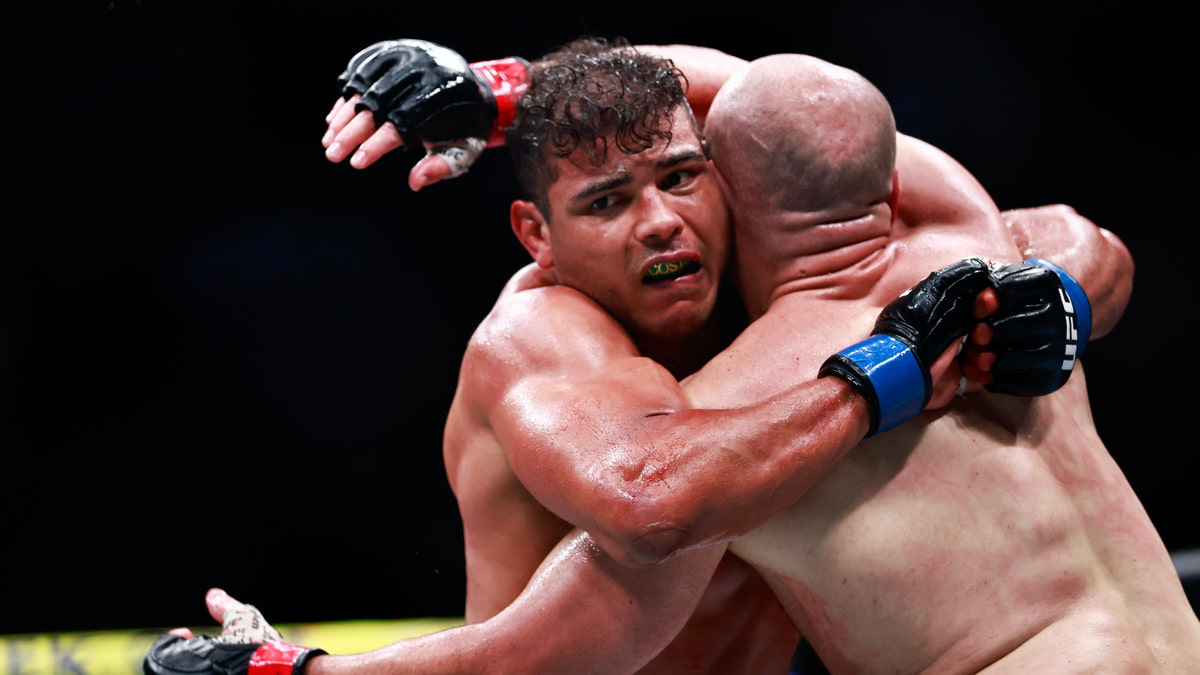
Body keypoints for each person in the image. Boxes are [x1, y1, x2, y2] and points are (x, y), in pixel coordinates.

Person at [146, 40, 1171, 674]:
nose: (660, 223)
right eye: (605, 202)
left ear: (728, 177)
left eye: (681, 178)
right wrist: (895, 367)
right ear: (537, 235)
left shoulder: (871, 274)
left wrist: (1059, 293)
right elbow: (646, 513)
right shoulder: (545, 341)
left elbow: (1057, 229)